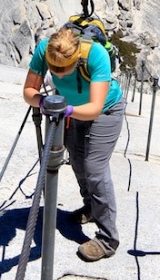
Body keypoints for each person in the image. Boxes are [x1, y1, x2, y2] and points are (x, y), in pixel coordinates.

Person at [22, 26, 124, 262]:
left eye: (63, 69)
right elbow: (28, 91)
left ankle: (108, 239)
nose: (57, 74)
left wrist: (66, 109)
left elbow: (95, 107)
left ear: (77, 59)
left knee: (95, 169)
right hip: (70, 111)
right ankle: (90, 207)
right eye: (53, 68)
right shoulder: (44, 50)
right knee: (77, 163)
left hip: (105, 111)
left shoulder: (95, 54)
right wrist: (43, 102)